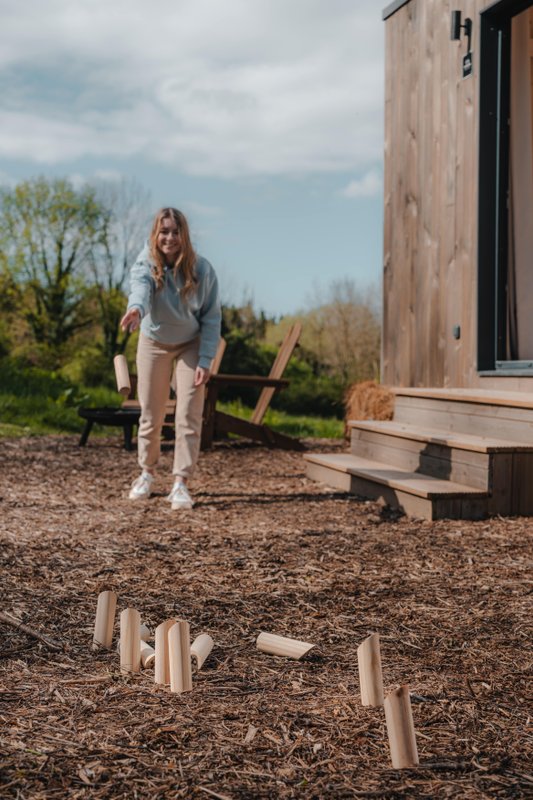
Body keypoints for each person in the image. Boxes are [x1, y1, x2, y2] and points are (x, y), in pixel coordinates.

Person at [120, 207, 221, 510]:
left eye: (175, 231)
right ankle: (147, 473)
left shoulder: (202, 270)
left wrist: (205, 359)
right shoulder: (146, 262)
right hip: (153, 342)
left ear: (184, 235)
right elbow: (141, 288)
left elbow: (212, 318)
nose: (170, 237)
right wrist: (136, 309)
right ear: (156, 234)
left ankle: (180, 483)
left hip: (191, 343)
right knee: (151, 412)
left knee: (189, 411)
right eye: (164, 231)